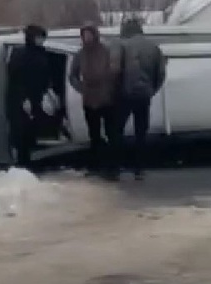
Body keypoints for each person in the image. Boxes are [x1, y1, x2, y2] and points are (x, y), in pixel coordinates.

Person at [114, 19, 166, 181]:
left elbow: (115, 70)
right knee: (141, 132)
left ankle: (115, 167)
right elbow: (161, 73)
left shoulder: (122, 45)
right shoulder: (154, 47)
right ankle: (139, 168)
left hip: (124, 95)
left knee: (116, 131)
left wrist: (116, 91)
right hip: (144, 95)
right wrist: (152, 90)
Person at [68, 22, 119, 180]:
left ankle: (113, 167)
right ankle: (96, 166)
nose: (87, 38)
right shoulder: (80, 54)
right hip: (89, 99)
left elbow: (115, 71)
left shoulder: (106, 51)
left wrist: (111, 87)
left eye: (89, 34)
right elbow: (73, 75)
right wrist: (81, 88)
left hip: (107, 98)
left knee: (112, 134)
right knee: (94, 134)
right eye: (84, 35)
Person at [6, 24, 51, 169]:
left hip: (35, 97)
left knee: (31, 132)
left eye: (42, 38)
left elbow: (43, 76)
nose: (41, 41)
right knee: (21, 133)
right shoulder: (20, 55)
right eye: (39, 37)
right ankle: (22, 164)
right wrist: (23, 98)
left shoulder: (41, 53)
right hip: (21, 99)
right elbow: (15, 78)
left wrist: (46, 91)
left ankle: (28, 161)